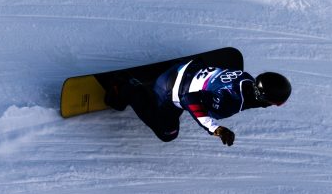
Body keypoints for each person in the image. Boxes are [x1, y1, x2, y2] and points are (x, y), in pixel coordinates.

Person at [101, 55, 291, 146]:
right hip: (169, 88)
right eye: (274, 103)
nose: (271, 106)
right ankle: (127, 87)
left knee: (203, 95)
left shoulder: (246, 78)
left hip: (187, 68)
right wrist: (214, 128)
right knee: (168, 133)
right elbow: (189, 98)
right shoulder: (230, 102)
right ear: (264, 99)